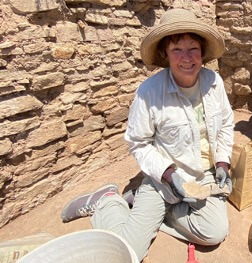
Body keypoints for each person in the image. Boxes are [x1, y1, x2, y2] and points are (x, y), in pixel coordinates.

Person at [60, 8, 234, 262]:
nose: (187, 58)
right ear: (165, 54)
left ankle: (149, 209)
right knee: (128, 253)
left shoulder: (214, 83)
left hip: (203, 178)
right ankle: (108, 201)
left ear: (203, 52)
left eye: (193, 48)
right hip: (162, 181)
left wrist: (222, 163)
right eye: (177, 50)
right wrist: (169, 175)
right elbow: (138, 143)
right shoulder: (149, 92)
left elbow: (227, 124)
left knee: (214, 233)